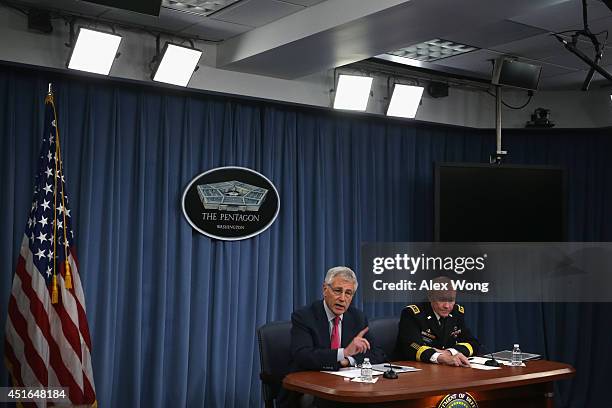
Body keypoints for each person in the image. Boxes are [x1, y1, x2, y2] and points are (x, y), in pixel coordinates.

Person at [279, 266, 386, 407]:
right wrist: (343, 353)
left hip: (347, 387)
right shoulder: (305, 317)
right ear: (325, 289)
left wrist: (346, 361)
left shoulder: (357, 318)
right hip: (311, 388)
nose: (342, 298)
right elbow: (302, 355)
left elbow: (378, 354)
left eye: (348, 293)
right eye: (337, 291)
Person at [395, 276, 480, 367]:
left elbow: (472, 343)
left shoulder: (457, 312)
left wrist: (449, 352)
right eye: (442, 300)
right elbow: (412, 346)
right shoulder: (412, 313)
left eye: (451, 300)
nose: (447, 306)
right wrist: (441, 358)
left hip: (447, 369)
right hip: (415, 369)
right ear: (430, 297)